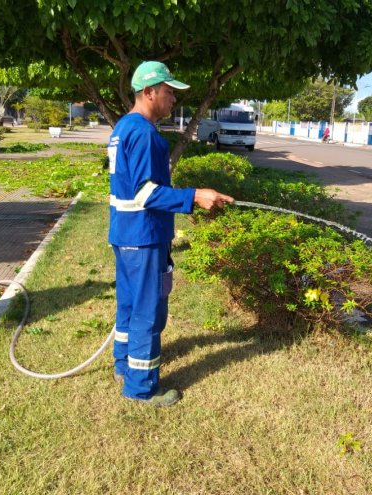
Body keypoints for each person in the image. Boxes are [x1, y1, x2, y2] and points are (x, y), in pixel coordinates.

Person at [107, 61, 234, 407]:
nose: (173, 99)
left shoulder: (123, 128)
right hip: (144, 236)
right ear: (149, 92)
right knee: (148, 312)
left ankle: (123, 364)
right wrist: (195, 196)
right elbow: (145, 194)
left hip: (125, 234)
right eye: (168, 92)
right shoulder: (145, 134)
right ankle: (141, 387)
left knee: (129, 306)